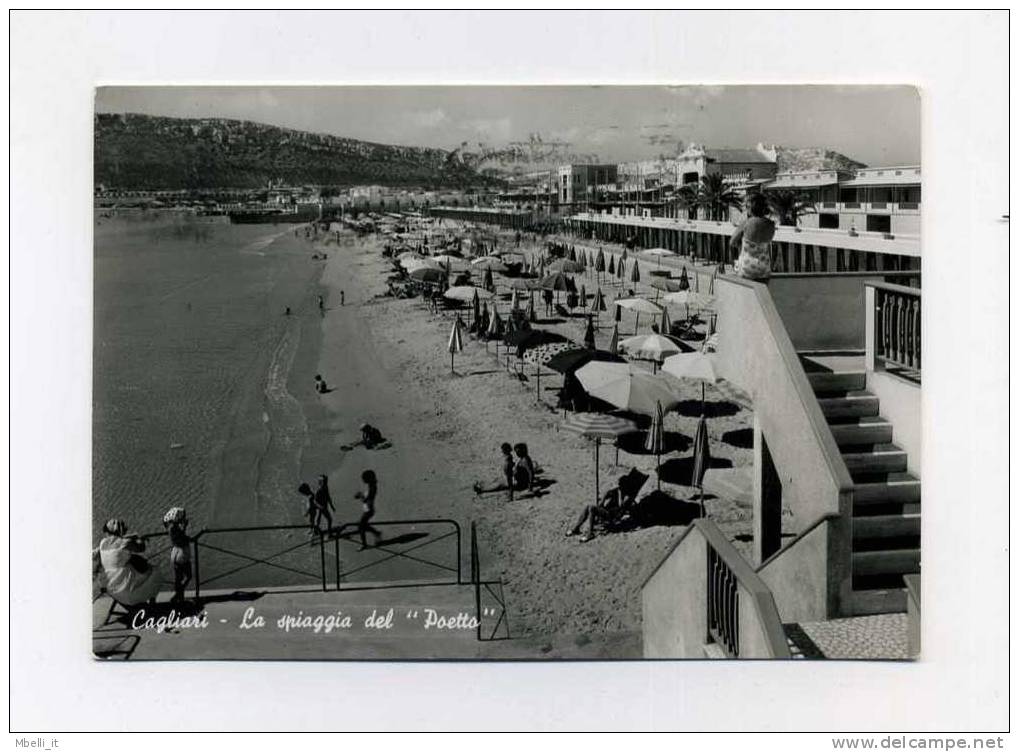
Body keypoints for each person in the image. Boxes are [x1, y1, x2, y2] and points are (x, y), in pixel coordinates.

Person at [92, 519, 162, 607]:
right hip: (125, 591)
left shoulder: (102, 543)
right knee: (156, 573)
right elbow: (141, 548)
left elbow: (115, 540)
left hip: (110, 589)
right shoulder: (125, 543)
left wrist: (132, 536)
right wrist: (140, 539)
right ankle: (151, 605)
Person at [566, 475, 640, 543]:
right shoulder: (617, 491)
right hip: (607, 510)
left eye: (620, 485)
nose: (619, 486)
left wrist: (620, 493)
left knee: (592, 508)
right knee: (587, 507)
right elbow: (603, 501)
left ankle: (590, 533)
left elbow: (621, 507)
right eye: (619, 485)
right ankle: (576, 528)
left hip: (612, 515)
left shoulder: (628, 496)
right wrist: (605, 495)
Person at [730, 192, 776, 282]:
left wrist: (741, 243)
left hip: (747, 268)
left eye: (747, 207)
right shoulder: (771, 225)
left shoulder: (747, 223)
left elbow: (732, 242)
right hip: (764, 268)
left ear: (752, 208)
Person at [162, 507, 192, 603]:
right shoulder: (176, 529)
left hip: (175, 553)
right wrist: (184, 526)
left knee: (178, 578)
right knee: (188, 576)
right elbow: (183, 539)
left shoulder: (170, 527)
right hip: (182, 554)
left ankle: (178, 597)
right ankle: (179, 595)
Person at [355, 470, 382, 550]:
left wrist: (360, 495)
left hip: (368, 510)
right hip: (368, 509)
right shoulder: (372, 486)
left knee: (360, 526)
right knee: (362, 525)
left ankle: (364, 544)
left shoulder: (372, 488)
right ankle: (376, 533)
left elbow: (366, 500)